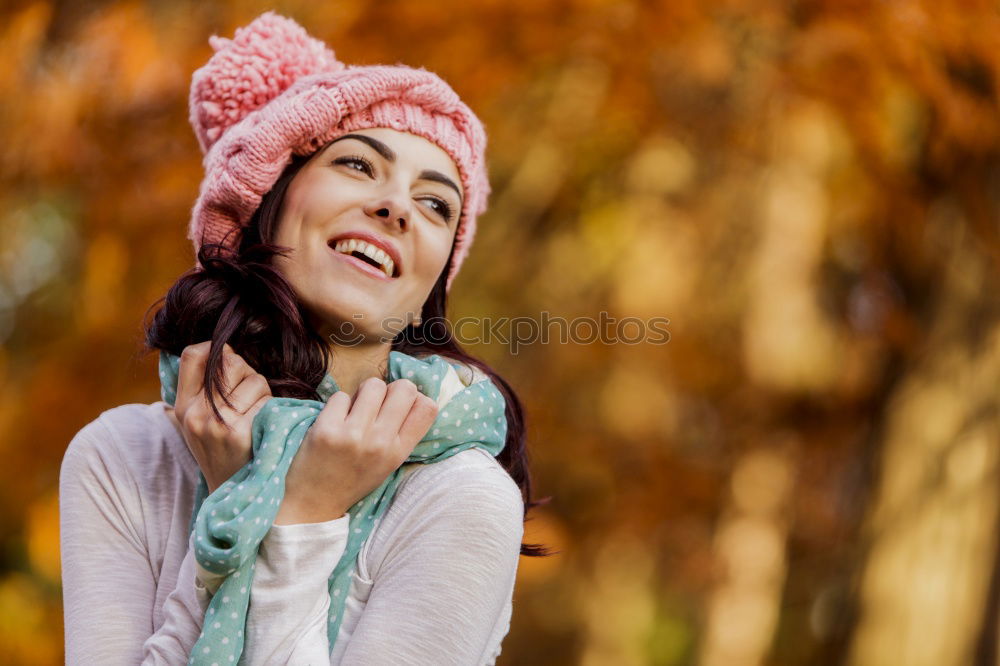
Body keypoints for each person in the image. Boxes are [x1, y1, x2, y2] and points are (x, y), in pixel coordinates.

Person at [58, 11, 548, 665]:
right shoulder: (122, 458)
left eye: (436, 205)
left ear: (428, 286)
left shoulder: (460, 494)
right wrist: (237, 500)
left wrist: (294, 516)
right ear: (269, 199)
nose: (398, 206)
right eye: (357, 164)